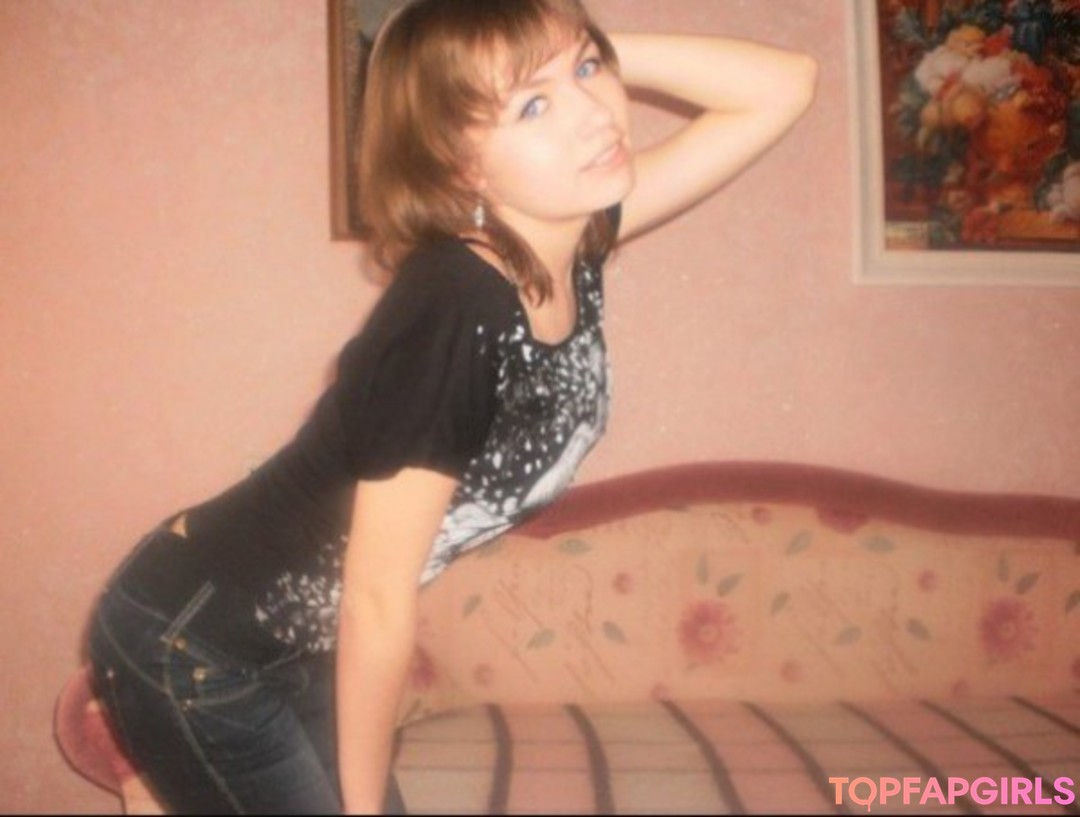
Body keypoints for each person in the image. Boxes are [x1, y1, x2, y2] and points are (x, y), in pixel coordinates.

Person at [85, 0, 817, 813]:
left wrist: (557, 53)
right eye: (532, 107)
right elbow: (377, 597)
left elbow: (786, 86)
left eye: (588, 71)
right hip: (194, 637)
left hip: (295, 636)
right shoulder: (454, 308)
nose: (593, 113)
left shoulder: (571, 240)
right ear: (459, 164)